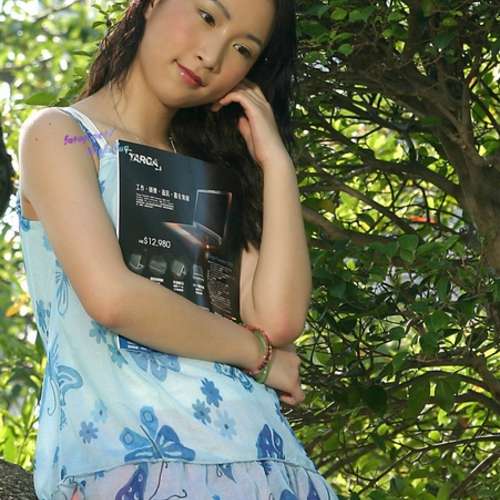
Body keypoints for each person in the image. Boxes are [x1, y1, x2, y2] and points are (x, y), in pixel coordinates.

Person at [16, 0, 339, 498]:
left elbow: (277, 320)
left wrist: (276, 164)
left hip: (267, 462)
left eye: (242, 49)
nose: (212, 56)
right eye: (207, 16)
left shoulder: (211, 172)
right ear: (151, 5)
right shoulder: (63, 137)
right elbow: (113, 299)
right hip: (129, 461)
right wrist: (257, 355)